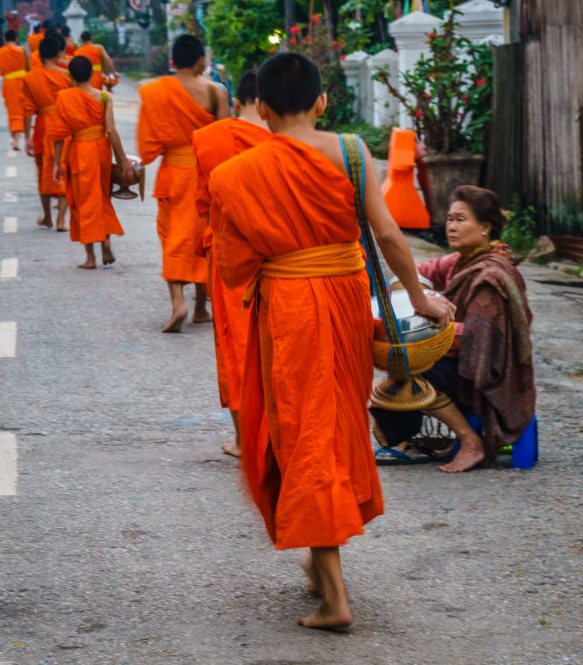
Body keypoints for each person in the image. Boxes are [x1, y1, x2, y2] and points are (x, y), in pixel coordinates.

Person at [210, 53, 455, 631]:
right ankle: (321, 566)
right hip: (345, 302)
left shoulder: (233, 174)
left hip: (289, 309)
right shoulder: (350, 151)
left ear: (261, 108)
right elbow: (388, 232)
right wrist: (419, 299)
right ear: (322, 101)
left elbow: (233, 268)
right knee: (333, 422)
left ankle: (335, 596)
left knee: (303, 429)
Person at [371, 185, 536, 474]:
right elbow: (417, 271)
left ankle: (470, 441)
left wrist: (425, 325)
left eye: (461, 220)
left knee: (408, 361)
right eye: (449, 219)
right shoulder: (463, 260)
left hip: (487, 373)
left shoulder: (491, 275)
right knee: (403, 348)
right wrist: (405, 293)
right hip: (463, 362)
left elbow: (478, 338)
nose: (452, 227)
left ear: (485, 227)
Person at [192, 68, 270, 457]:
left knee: (235, 344)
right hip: (280, 256)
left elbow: (203, 204)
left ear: (236, 102)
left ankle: (243, 439)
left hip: (227, 256)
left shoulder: (209, 140)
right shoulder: (288, 141)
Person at [138, 34, 230, 332]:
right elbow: (224, 137)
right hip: (205, 173)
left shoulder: (155, 91)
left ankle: (180, 303)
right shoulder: (215, 92)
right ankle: (201, 308)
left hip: (173, 174)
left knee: (174, 238)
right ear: (201, 60)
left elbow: (148, 146)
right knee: (204, 239)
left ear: (173, 61)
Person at [51, 56, 134, 269]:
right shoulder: (104, 96)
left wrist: (56, 163)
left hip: (79, 151)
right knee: (101, 197)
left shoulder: (64, 97)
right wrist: (123, 159)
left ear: (70, 75)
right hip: (101, 151)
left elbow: (59, 134)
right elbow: (111, 130)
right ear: (91, 74)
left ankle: (90, 257)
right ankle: (105, 239)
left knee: (82, 202)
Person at [22, 34, 71, 230]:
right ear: (59, 54)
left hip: (42, 127)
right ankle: (61, 220)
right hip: (64, 125)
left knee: (43, 171)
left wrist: (27, 137)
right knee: (65, 169)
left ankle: (47, 217)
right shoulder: (66, 76)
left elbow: (27, 111)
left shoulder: (30, 77)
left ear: (39, 55)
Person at [0, 29, 28, 149]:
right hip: (22, 82)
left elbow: (2, 69)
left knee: (12, 111)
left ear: (4, 39)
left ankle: (14, 138)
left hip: (8, 83)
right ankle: (16, 139)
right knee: (21, 111)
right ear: (16, 39)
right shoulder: (22, 50)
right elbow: (28, 67)